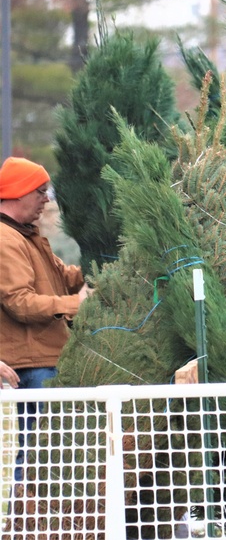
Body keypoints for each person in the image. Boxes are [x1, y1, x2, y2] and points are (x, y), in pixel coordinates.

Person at [0, 157, 90, 481]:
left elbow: (64, 276)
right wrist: (76, 304)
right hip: (34, 364)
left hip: (44, 358)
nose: (46, 199)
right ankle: (27, 525)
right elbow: (20, 303)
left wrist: (97, 273)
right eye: (40, 191)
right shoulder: (5, 239)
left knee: (46, 455)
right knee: (40, 455)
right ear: (18, 193)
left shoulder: (24, 235)